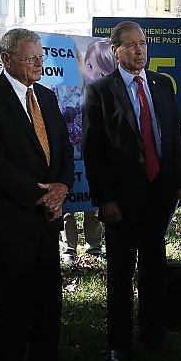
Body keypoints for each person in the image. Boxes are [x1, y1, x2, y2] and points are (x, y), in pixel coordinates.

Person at [0, 28, 74, 361]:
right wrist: (41, 196)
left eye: (41, 58)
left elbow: (61, 144)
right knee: (13, 300)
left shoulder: (45, 95)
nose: (39, 64)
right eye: (31, 59)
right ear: (8, 59)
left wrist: (62, 187)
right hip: (11, 217)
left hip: (48, 218)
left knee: (49, 295)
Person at [83, 21, 181, 361]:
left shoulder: (161, 85)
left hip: (159, 194)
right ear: (115, 51)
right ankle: (120, 342)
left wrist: (180, 182)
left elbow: (173, 137)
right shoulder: (100, 91)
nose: (140, 50)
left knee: (154, 270)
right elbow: (93, 151)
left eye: (143, 43)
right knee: (120, 273)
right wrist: (105, 199)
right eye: (131, 45)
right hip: (121, 200)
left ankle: (153, 334)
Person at [61, 38, 116, 264]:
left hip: (94, 156)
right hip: (69, 155)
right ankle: (68, 247)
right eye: (90, 66)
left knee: (93, 201)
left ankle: (94, 245)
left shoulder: (107, 93)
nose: (92, 72)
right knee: (68, 204)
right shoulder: (66, 89)